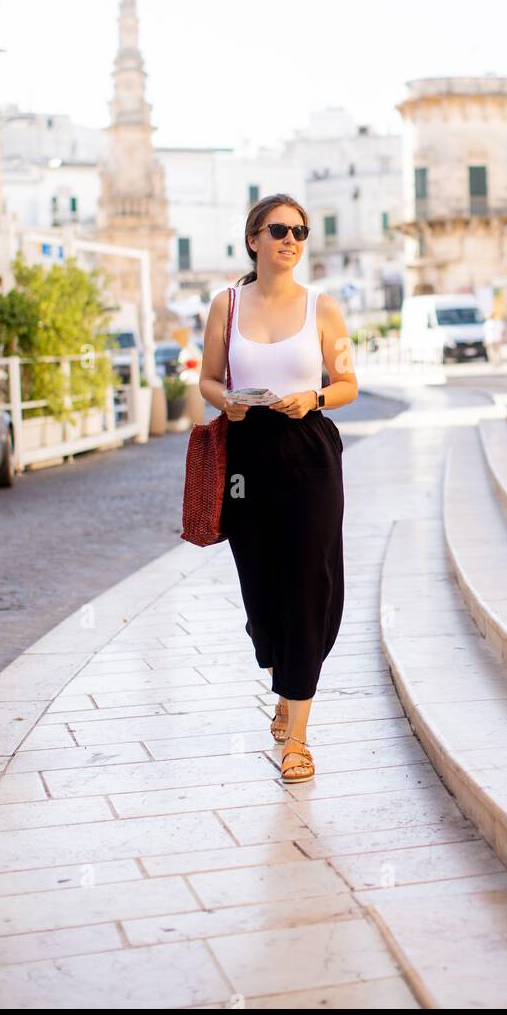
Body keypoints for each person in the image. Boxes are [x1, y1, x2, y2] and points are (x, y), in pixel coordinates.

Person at [199, 194, 358, 783]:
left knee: (310, 583)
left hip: (310, 450)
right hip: (247, 455)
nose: (291, 239)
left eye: (300, 232)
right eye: (279, 230)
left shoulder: (323, 307)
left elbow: (347, 382)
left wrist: (313, 397)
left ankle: (298, 736)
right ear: (253, 240)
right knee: (261, 593)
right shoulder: (227, 305)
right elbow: (209, 381)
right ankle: (278, 671)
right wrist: (229, 403)